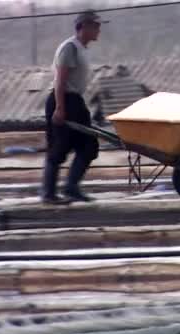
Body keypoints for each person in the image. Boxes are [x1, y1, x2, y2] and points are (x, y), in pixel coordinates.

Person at [41, 10, 108, 204]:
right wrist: (60, 108)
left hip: (75, 101)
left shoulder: (81, 49)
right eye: (96, 26)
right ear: (84, 27)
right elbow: (60, 80)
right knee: (59, 147)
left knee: (88, 146)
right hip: (62, 99)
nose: (99, 30)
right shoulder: (69, 47)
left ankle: (71, 188)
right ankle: (48, 194)